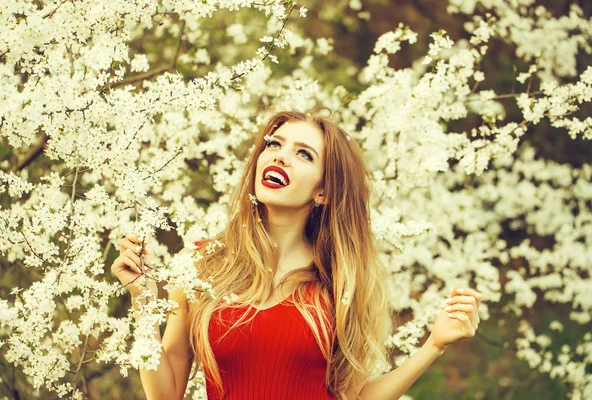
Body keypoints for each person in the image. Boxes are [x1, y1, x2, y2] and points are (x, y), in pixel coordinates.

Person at [111, 107, 482, 400]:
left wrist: (432, 346)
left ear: (323, 191)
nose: (281, 157)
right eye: (274, 145)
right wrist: (144, 304)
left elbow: (356, 395)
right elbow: (165, 393)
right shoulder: (202, 264)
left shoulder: (340, 279)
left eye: (303, 154)